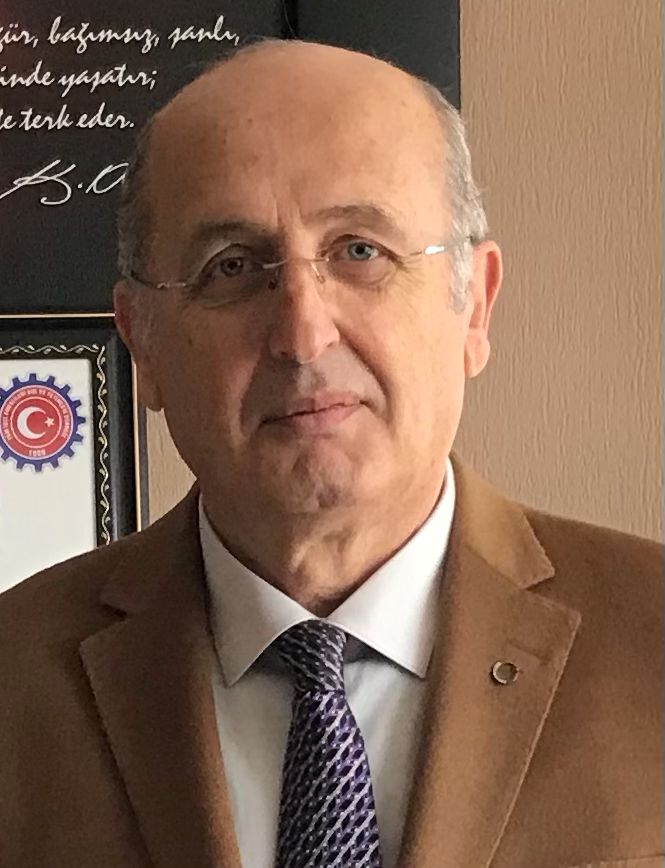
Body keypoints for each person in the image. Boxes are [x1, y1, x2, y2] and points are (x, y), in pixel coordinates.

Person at [0, 38, 662, 868]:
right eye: (230, 267)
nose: (303, 334)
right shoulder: (15, 682)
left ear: (474, 306)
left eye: (360, 251)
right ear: (144, 344)